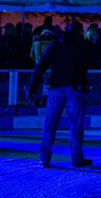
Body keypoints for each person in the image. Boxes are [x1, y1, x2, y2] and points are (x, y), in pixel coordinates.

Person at [26, 22, 92, 167]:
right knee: (76, 125)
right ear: (80, 32)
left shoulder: (56, 46)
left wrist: (32, 89)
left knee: (50, 123)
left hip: (56, 88)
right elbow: (96, 61)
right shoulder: (83, 46)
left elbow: (40, 67)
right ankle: (76, 157)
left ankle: (44, 157)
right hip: (75, 89)